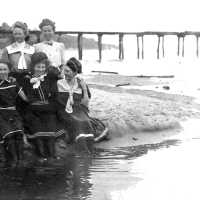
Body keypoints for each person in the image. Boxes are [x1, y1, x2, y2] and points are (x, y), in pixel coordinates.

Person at [22, 52, 65, 160]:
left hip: (48, 109)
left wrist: (48, 106)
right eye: (38, 67)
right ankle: (41, 156)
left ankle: (52, 155)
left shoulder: (49, 78)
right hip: (34, 111)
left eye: (43, 67)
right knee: (38, 133)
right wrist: (42, 106)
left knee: (50, 131)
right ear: (33, 67)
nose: (40, 69)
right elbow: (30, 99)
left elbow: (54, 94)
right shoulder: (27, 80)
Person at [0, 59, 28, 166]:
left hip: (13, 113)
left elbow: (25, 98)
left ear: (8, 70)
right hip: (1, 114)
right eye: (0, 70)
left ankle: (20, 161)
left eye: (4, 69)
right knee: (10, 136)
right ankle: (13, 161)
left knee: (19, 134)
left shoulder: (13, 83)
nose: (2, 72)